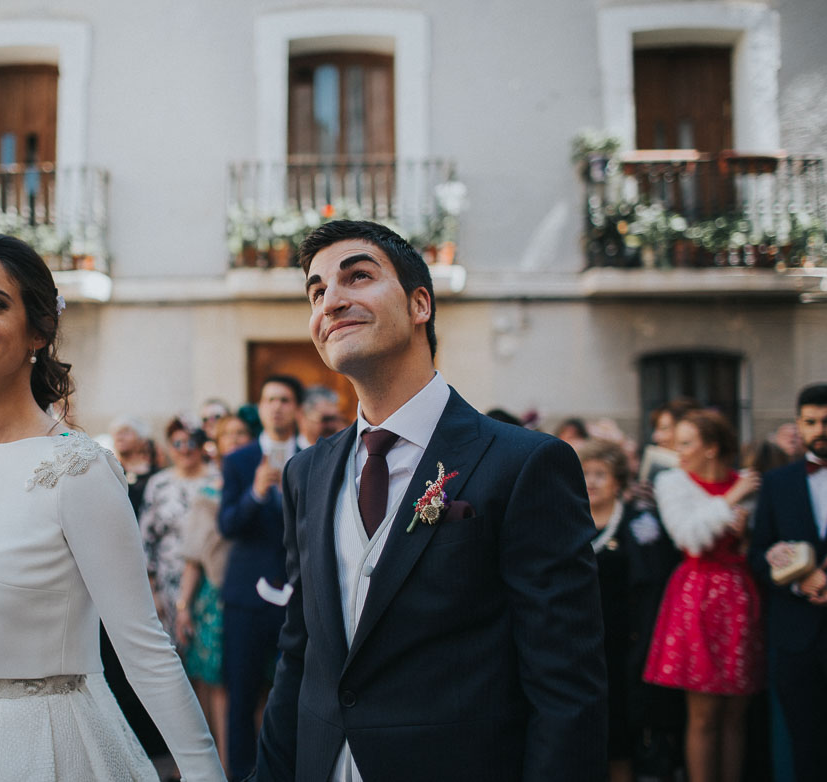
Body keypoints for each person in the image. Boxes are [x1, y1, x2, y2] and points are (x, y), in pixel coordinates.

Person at [0, 234, 223, 780]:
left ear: (39, 330)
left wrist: (205, 774)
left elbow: (144, 647)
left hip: (37, 745)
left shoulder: (79, 470)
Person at [256, 220, 606, 781]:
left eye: (358, 277)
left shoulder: (524, 464)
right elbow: (301, 656)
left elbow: (566, 687)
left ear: (421, 304)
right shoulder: (307, 473)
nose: (331, 301)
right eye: (317, 291)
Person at [643, 410, 763, 782]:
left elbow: (761, 546)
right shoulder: (673, 483)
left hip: (740, 596)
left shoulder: (748, 483)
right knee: (704, 715)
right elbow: (688, 537)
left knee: (735, 716)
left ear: (711, 448)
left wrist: (746, 537)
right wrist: (730, 500)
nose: (677, 452)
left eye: (686, 443)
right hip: (697, 596)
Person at [750, 383, 827, 781]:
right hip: (796, 637)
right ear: (799, 425)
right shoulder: (778, 483)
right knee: (807, 750)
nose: (820, 430)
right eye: (810, 422)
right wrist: (796, 580)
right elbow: (758, 555)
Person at [578, 439, 683, 781]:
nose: (591, 481)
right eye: (585, 473)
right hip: (578, 644)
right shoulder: (567, 520)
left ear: (619, 481)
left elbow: (655, 582)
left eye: (600, 474)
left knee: (621, 734)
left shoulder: (640, 524)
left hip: (627, 647)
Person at [218, 373, 304, 779]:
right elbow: (227, 526)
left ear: (296, 408)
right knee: (242, 695)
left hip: (300, 597)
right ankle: (240, 774)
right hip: (248, 598)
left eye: (285, 399)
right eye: (270, 399)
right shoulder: (239, 460)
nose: (276, 406)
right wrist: (254, 494)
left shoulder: (315, 456)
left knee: (298, 695)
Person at [177, 414, 251, 775]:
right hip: (216, 600)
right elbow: (193, 556)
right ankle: (225, 768)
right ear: (217, 444)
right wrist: (183, 606)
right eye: (228, 435)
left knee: (262, 684)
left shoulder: (269, 483)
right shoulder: (208, 492)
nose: (235, 440)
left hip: (259, 596)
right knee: (220, 685)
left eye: (242, 434)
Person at [139, 420, 218, 636]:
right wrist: (152, 592)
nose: (184, 449)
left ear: (201, 445)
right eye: (177, 443)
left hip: (208, 581)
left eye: (190, 442)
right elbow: (145, 539)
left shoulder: (217, 479)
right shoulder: (158, 484)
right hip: (167, 581)